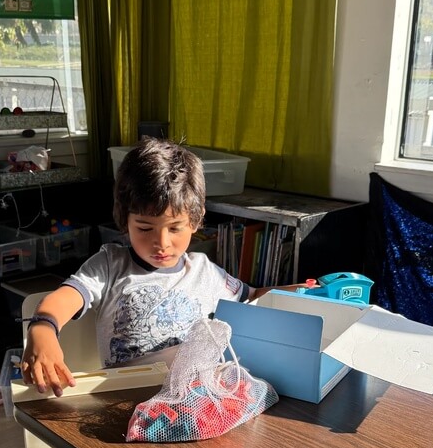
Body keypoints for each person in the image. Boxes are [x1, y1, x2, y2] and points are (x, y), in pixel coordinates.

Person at [21, 137, 296, 396]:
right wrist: (42, 328)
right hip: (127, 400)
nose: (161, 243)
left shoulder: (205, 271)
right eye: (144, 228)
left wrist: (304, 290)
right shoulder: (110, 265)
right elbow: (63, 299)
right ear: (124, 221)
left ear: (196, 221)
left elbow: (252, 296)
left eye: (175, 228)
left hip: (194, 398)